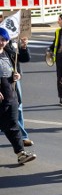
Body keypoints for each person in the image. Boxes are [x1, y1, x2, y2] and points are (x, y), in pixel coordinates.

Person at [0, 27, 35, 164]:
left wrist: (16, 75)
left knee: (13, 125)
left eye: (4, 39)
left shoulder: (8, 53)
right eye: (0, 39)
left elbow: (20, 62)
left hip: (10, 95)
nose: (2, 42)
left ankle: (21, 153)